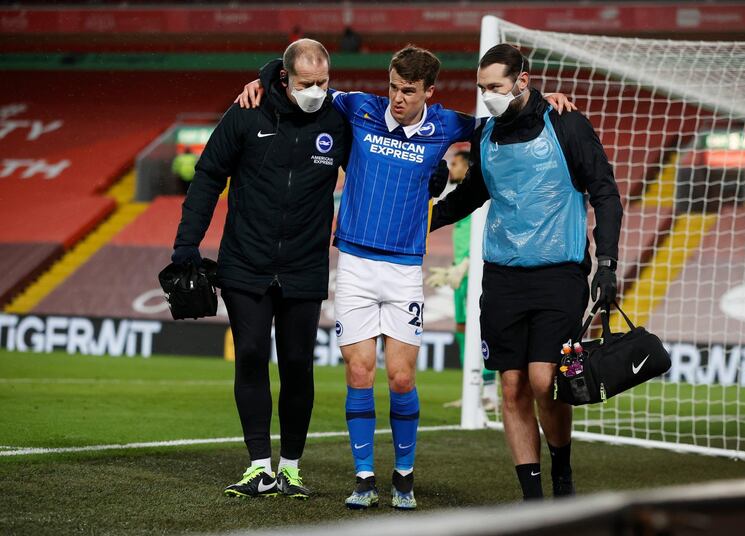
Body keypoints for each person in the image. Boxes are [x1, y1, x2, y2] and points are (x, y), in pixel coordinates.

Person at [236, 45, 575, 510]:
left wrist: (543, 100)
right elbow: (298, 85)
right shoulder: (357, 106)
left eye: (408, 91)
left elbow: (508, 119)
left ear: (428, 92)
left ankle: (404, 476)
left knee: (399, 377)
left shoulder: (449, 126)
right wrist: (261, 78)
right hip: (354, 262)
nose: (396, 97)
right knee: (358, 371)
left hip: (403, 268)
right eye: (393, 86)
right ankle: (363, 478)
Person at [430, 44, 623, 501]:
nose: (488, 96)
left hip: (561, 273)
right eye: (482, 89)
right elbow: (471, 195)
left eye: (495, 87)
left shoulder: (567, 124)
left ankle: (563, 471)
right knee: (512, 385)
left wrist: (608, 262)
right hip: (501, 276)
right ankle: (532, 498)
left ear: (522, 79)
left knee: (544, 380)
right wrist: (419, 219)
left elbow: (606, 193)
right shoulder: (484, 136)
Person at [171, 39, 351, 501]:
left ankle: (290, 468)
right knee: (250, 354)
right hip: (245, 262)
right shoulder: (246, 112)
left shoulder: (339, 118)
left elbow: (377, 162)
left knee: (296, 365)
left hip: (305, 265)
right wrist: (186, 245)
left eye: (324, 82)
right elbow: (209, 174)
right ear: (285, 78)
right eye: (307, 83)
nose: (317, 91)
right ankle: (258, 467)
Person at [426, 150, 498, 411]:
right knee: (461, 330)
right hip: (462, 274)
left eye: (455, 163)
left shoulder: (477, 199)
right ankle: (471, 391)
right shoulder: (454, 200)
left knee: (478, 332)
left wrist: (467, 264)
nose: (451, 166)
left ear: (468, 166)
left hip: (475, 271)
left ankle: (489, 392)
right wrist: (452, 270)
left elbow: (479, 237)